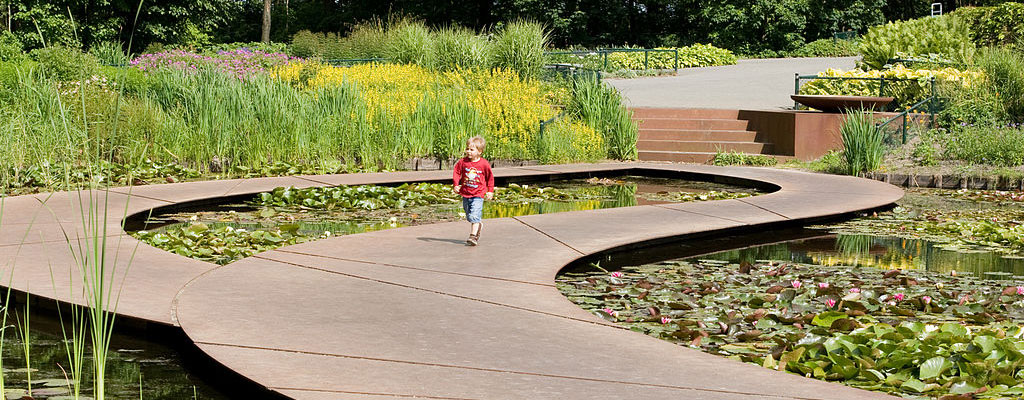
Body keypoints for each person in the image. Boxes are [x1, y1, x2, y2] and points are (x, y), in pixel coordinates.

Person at [452, 136, 494, 246]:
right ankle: (478, 224)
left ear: (479, 151)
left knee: (474, 215)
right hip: (465, 193)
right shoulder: (463, 162)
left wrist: (490, 191)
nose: (468, 152)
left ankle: (473, 236)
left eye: (472, 150)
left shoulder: (483, 164)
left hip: (478, 194)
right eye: (467, 149)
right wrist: (456, 184)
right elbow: (456, 172)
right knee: (469, 215)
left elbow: (490, 177)